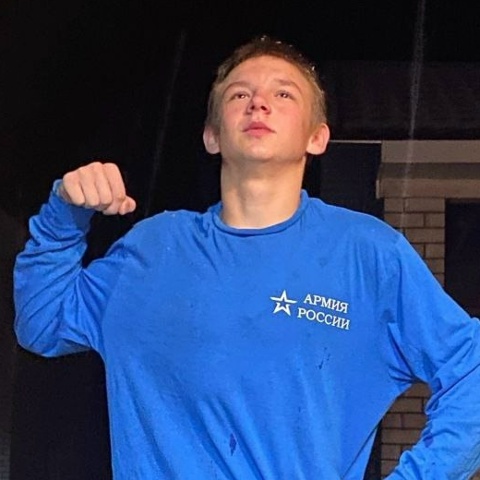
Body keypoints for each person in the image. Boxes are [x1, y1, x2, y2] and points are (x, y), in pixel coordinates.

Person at [13, 35, 480, 479]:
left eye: (283, 94)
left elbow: (470, 368)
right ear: (211, 136)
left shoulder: (366, 254)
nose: (258, 103)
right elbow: (41, 323)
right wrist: (64, 216)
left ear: (317, 138)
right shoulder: (153, 249)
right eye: (239, 94)